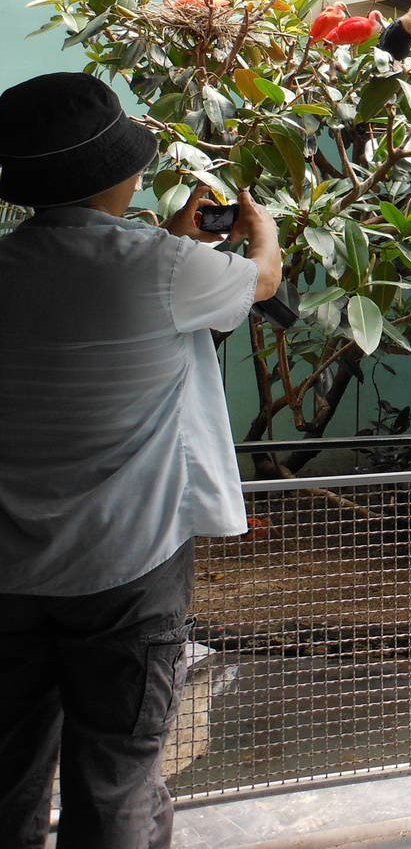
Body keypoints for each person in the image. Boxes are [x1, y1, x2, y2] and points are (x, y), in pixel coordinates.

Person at [0, 72, 282, 848]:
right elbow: (262, 281)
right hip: (130, 567)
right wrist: (263, 228)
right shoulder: (162, 267)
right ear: (115, 174)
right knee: (117, 778)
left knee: (8, 773)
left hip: (8, 572)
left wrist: (172, 245)